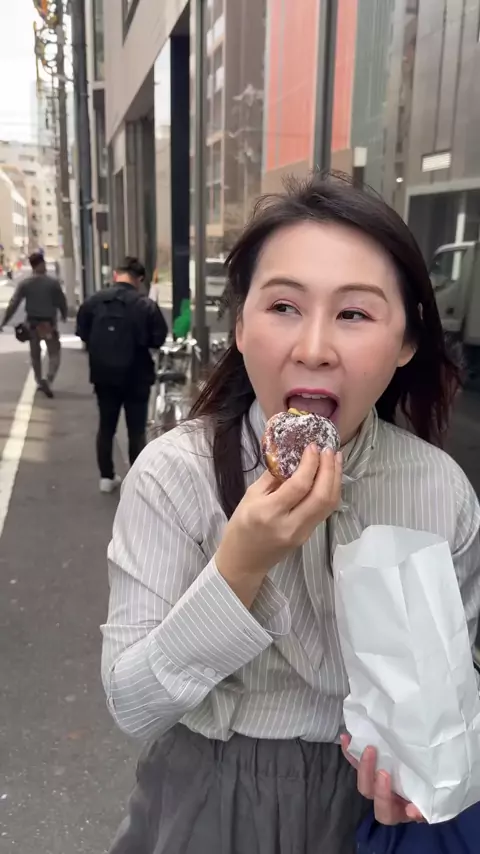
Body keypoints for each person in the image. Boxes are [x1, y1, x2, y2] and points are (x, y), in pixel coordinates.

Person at [101, 174, 480, 853]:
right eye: (283, 306)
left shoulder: (440, 490)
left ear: (406, 342)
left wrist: (431, 761)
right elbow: (133, 704)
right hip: (211, 795)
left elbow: (455, 678)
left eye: (354, 314)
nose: (313, 348)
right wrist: (239, 567)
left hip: (371, 807)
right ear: (241, 327)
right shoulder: (174, 475)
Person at [76, 256, 168, 494]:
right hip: (137, 377)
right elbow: (158, 338)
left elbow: (82, 332)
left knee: (106, 427)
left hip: (103, 375)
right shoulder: (145, 305)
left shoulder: (93, 302)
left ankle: (106, 477)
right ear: (139, 279)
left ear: (116, 274)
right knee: (136, 430)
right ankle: (136, 482)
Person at [0, 251, 67, 398]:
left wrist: (3, 322)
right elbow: (61, 301)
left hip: (32, 324)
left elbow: (14, 304)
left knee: (35, 355)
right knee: (54, 353)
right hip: (49, 324)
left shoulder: (26, 284)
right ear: (41, 264)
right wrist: (64, 314)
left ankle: (39, 380)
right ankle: (48, 379)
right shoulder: (53, 283)